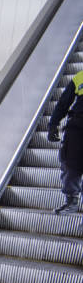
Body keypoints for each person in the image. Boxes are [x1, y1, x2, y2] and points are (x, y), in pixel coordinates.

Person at [49, 68, 83, 214]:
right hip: (76, 128)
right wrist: (53, 124)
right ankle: (71, 201)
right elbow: (63, 102)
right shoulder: (80, 77)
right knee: (69, 164)